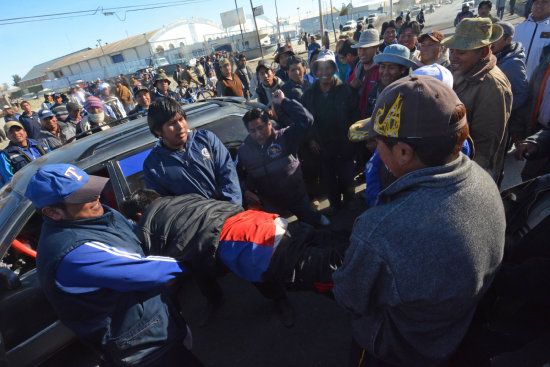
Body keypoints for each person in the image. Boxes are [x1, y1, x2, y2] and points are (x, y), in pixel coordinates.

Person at [333, 75, 506, 367]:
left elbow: (349, 296)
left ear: (403, 152)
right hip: (457, 332)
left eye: (378, 143)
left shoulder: (381, 229)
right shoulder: (483, 179)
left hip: (400, 350)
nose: (375, 151)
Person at [23, 164, 203, 367]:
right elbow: (149, 272)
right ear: (53, 212)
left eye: (91, 189)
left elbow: (139, 237)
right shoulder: (73, 253)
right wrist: (197, 253)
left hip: (157, 325)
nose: (96, 197)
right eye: (83, 197)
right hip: (143, 349)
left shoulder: (100, 215)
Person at [237, 91, 329, 226]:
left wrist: (285, 102)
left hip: (296, 196)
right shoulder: (244, 151)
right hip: (271, 204)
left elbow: (307, 120)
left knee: (314, 222)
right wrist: (245, 190)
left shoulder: (285, 137)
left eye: (260, 128)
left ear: (269, 124)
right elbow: (238, 176)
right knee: (280, 237)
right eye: (253, 131)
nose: (258, 134)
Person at [442, 18, 512, 179]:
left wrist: (467, 180)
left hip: (471, 172)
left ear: (484, 52)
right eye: (452, 51)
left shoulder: (493, 87)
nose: (453, 57)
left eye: (461, 52)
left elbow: (484, 146)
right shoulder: (454, 70)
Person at [143, 98, 242, 205]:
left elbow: (228, 174)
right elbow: (166, 207)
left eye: (181, 119)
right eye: (172, 123)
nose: (180, 127)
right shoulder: (153, 166)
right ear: (158, 131)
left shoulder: (206, 139)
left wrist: (232, 209)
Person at [302, 50, 359, 212]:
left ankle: (350, 202)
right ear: (315, 72)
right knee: (328, 178)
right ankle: (334, 204)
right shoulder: (308, 95)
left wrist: (352, 138)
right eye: (320, 68)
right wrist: (311, 139)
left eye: (328, 68)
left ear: (334, 70)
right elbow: (305, 121)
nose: (324, 72)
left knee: (347, 177)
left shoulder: (346, 91)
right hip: (322, 146)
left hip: (344, 143)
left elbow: (355, 116)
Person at [491, 21, 529, 147]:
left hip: (504, 122)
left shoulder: (512, 64)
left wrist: (501, 107)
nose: (490, 40)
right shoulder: (494, 56)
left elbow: (522, 95)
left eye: (496, 36)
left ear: (509, 39)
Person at [513, 0, 550, 79]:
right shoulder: (519, 28)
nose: (539, 5)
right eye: (536, 3)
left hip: (541, 85)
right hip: (517, 81)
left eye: (544, 2)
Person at [350, 30, 382, 118]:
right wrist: (351, 87)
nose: (362, 52)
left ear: (377, 48)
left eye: (366, 48)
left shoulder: (383, 71)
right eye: (360, 48)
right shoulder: (358, 67)